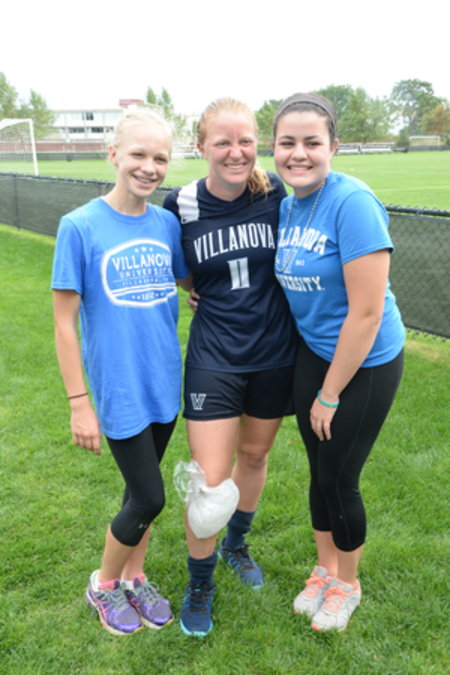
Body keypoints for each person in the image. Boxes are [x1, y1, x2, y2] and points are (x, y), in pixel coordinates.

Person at [51, 108, 191, 636]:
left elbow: (185, 281)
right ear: (113, 155)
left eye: (160, 158)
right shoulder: (80, 226)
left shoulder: (166, 225)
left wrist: (204, 293)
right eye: (138, 154)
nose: (149, 167)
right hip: (120, 388)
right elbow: (64, 323)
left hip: (163, 383)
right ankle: (105, 585)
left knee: (139, 494)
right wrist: (78, 403)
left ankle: (136, 577)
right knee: (150, 496)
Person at [163, 98, 298, 637]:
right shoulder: (180, 203)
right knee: (211, 480)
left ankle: (236, 545)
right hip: (214, 357)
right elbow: (182, 266)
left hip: (274, 352)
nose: (236, 152)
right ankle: (200, 582)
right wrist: (195, 289)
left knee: (255, 455)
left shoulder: (275, 192)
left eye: (245, 140)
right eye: (223, 142)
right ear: (201, 147)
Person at [273, 93, 405, 632]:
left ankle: (347, 584)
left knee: (340, 477)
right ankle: (324, 570)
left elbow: (367, 313)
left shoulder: (353, 203)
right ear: (274, 148)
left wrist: (330, 394)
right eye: (287, 142)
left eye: (312, 142)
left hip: (365, 360)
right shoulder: (289, 206)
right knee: (317, 471)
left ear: (334, 146)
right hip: (314, 350)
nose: (298, 153)